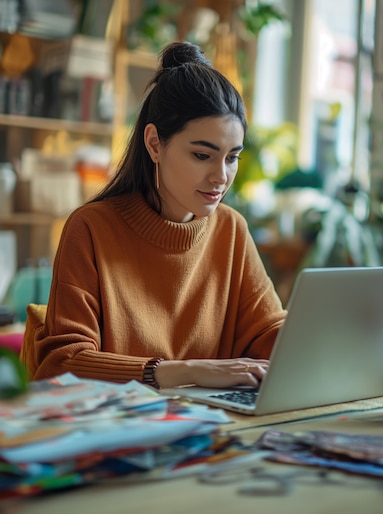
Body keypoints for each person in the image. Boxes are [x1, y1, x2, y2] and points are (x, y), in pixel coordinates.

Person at [29, 41, 286, 390]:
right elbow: (63, 364)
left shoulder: (231, 229)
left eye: (231, 157)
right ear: (154, 144)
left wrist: (345, 353)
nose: (221, 176)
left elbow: (268, 332)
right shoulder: (91, 229)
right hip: (123, 430)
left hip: (215, 428)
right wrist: (187, 371)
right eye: (202, 155)